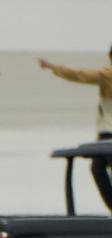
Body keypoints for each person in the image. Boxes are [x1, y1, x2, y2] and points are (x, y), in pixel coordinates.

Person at [39, 47, 112, 211]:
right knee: (98, 168)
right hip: (107, 131)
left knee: (98, 168)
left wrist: (53, 67)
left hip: (108, 132)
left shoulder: (108, 74)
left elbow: (80, 75)